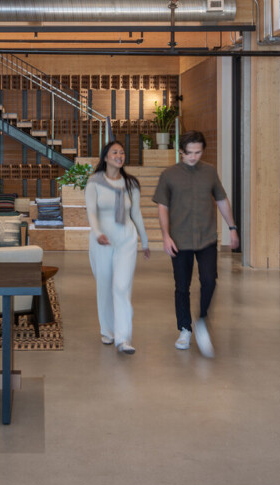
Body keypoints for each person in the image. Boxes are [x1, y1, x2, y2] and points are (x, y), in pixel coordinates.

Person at [153, 130, 239, 358]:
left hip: (207, 238)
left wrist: (232, 228)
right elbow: (163, 206)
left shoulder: (210, 171)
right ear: (181, 151)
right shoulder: (169, 175)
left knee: (210, 281)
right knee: (182, 286)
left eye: (197, 152)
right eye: (189, 153)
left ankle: (201, 320)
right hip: (179, 239)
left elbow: (221, 199)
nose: (193, 157)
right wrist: (165, 236)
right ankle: (184, 329)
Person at [85, 140, 150, 354]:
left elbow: (136, 213)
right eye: (115, 152)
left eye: (122, 152)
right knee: (104, 286)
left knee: (122, 287)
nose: (119, 155)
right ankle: (108, 331)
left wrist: (145, 240)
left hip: (126, 239)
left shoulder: (131, 184)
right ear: (105, 157)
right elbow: (91, 212)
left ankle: (123, 338)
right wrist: (97, 233)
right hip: (102, 239)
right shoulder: (94, 182)